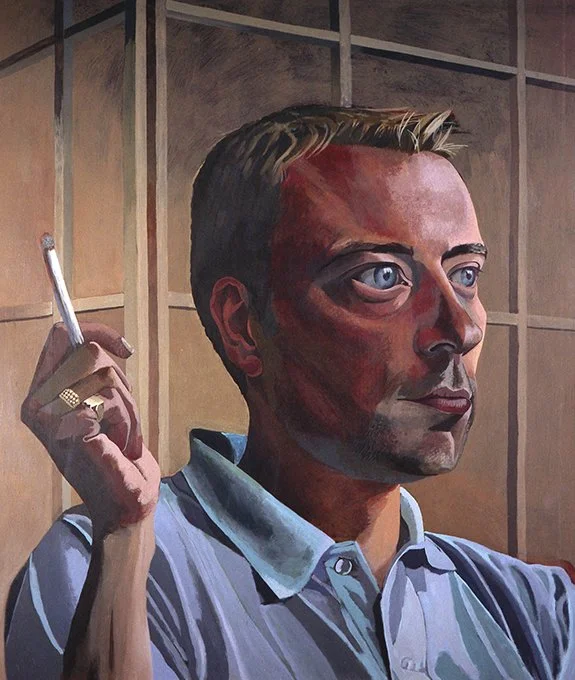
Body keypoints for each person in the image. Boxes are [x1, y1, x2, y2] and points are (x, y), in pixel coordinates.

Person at [5, 106, 575, 679]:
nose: (461, 329)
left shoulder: (537, 612)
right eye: (381, 277)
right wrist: (124, 537)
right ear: (242, 325)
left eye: (465, 275)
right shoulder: (97, 565)